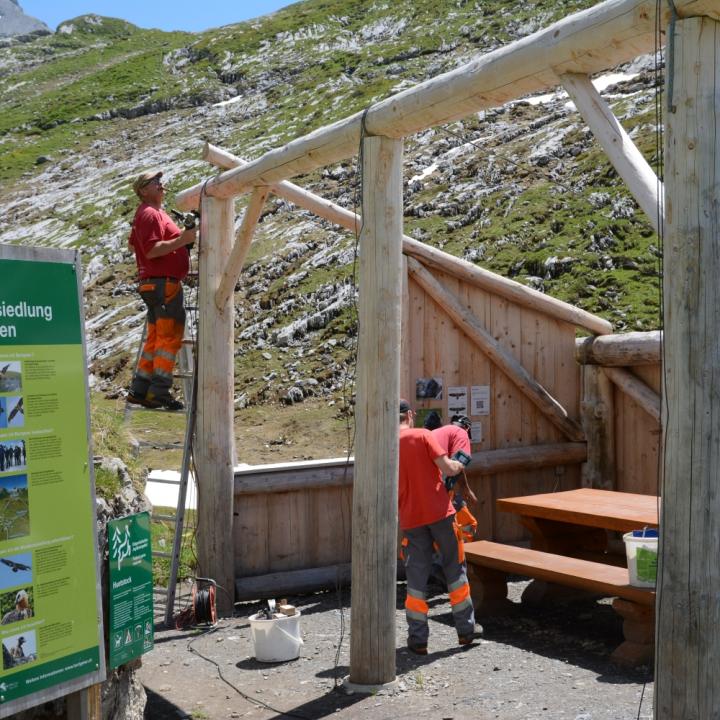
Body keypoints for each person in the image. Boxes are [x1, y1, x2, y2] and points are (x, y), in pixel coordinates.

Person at [398, 399, 478, 654]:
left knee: (416, 578)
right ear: (411, 415)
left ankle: (418, 639)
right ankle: (466, 631)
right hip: (440, 514)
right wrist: (460, 463)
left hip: (410, 518)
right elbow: (448, 467)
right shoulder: (423, 435)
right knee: (455, 568)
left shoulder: (384, 444)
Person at [126, 169, 196, 411]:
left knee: (156, 337)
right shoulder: (150, 214)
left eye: (160, 181)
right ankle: (159, 392)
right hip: (163, 284)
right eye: (155, 182)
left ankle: (140, 389)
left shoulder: (150, 214)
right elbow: (152, 250)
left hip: (154, 285)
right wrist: (183, 241)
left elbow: (135, 244)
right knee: (168, 338)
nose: (161, 184)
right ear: (143, 190)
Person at [432, 415, 479, 541]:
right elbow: (459, 462)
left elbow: (455, 465)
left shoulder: (435, 433)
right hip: (439, 492)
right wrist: (464, 488)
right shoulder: (461, 433)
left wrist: (464, 486)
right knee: (468, 525)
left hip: (421, 492)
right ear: (467, 428)